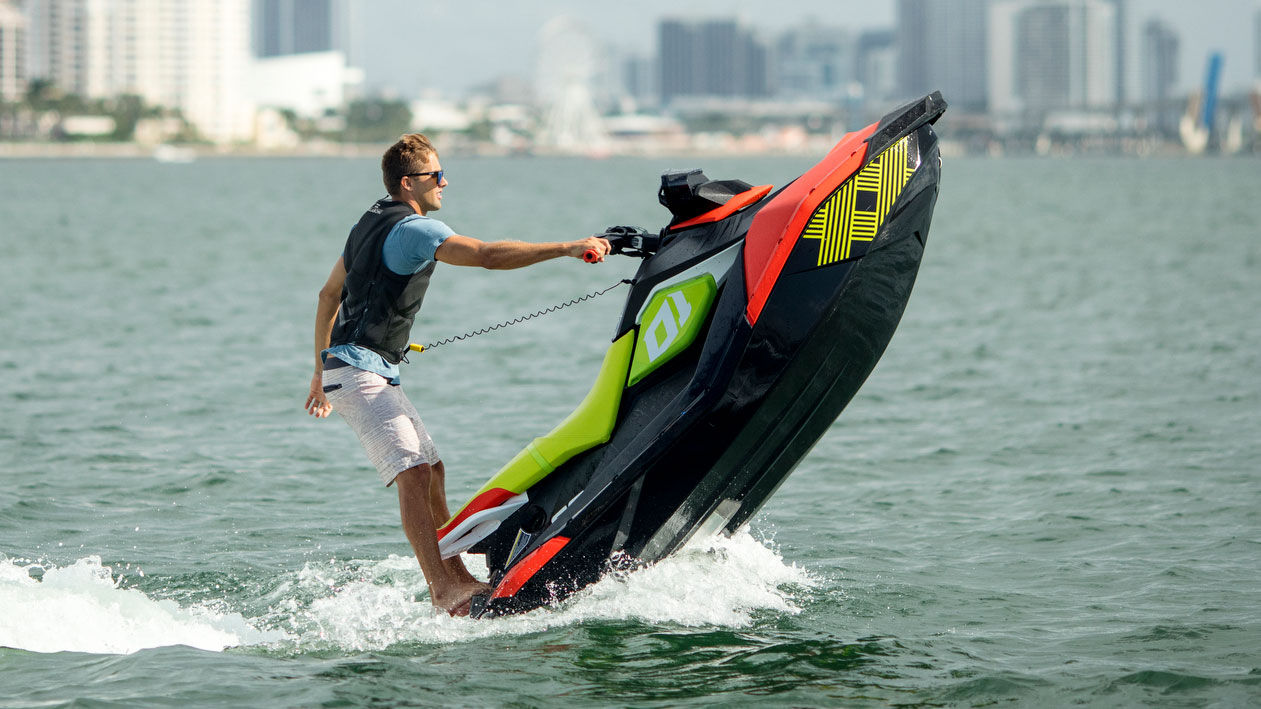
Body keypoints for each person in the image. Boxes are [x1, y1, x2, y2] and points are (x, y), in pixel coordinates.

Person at [304, 133, 610, 616]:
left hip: (359, 370)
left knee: (433, 471)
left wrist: (319, 373)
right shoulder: (414, 230)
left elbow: (327, 295)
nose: (445, 181)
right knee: (413, 472)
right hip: (360, 374)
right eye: (435, 175)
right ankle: (442, 588)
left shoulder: (367, 223)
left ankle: (461, 574)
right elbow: (486, 255)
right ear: (409, 183)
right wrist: (567, 248)